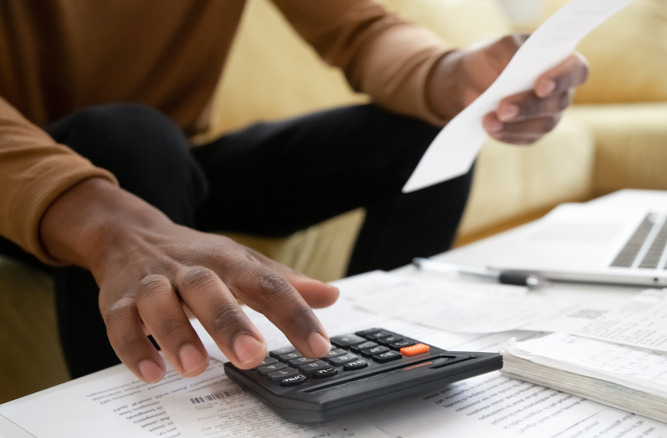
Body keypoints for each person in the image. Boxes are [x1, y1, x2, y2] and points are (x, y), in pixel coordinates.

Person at [0, 0, 587, 383]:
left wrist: (453, 76)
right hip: (28, 190)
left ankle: (370, 365)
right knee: (127, 135)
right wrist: (103, 219)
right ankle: (131, 413)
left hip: (175, 164)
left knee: (414, 135)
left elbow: (359, 29)